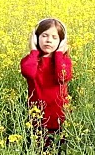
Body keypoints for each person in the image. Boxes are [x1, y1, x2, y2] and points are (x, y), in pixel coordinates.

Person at [20, 18, 73, 154]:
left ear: (61, 42)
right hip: (38, 119)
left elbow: (62, 77)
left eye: (54, 37)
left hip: (61, 119)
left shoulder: (63, 62)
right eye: (44, 36)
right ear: (36, 38)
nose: (49, 40)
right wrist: (33, 50)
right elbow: (29, 73)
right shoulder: (30, 61)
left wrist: (59, 53)